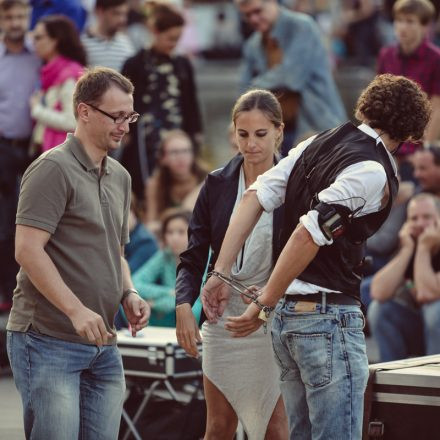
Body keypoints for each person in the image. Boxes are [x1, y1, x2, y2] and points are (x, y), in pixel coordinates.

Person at [201, 74, 431, 440]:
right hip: (324, 320)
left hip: (290, 325)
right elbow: (307, 233)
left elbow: (254, 197)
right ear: (411, 128)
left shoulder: (318, 140)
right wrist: (264, 301)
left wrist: (220, 270)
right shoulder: (372, 169)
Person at [6, 67, 150, 440]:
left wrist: (129, 293)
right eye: (115, 116)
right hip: (46, 341)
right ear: (84, 112)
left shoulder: (120, 175)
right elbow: (27, 249)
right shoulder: (52, 168)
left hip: (103, 344)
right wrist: (74, 310)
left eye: (129, 116)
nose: (124, 126)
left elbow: (114, 252)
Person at [176, 89, 288, 440]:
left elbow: (307, 255)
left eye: (260, 134)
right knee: (218, 426)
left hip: (274, 314)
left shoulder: (295, 184)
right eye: (243, 134)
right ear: (233, 132)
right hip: (222, 317)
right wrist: (183, 304)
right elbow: (193, 255)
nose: (251, 144)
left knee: (275, 429)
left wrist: (271, 295)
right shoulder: (217, 183)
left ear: (279, 132)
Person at [236, 0, 346, 156]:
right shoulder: (252, 45)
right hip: (277, 133)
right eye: (247, 15)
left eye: (258, 11)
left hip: (318, 126)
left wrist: (254, 86)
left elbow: (292, 78)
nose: (253, 19)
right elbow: (241, 93)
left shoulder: (302, 26)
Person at [121, 1, 203, 197]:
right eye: (170, 39)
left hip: (177, 129)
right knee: (144, 177)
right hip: (145, 133)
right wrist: (126, 129)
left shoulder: (182, 64)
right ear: (155, 32)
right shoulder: (135, 64)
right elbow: (126, 100)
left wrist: (197, 131)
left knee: (178, 176)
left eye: (178, 39)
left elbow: (191, 101)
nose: (174, 45)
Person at [0, 0, 40, 311]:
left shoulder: (38, 52)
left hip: (34, 147)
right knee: (5, 221)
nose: (16, 22)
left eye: (20, 15)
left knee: (32, 217)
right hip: (3, 146)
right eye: (10, 16)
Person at [369, 193, 440, 361]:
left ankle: (434, 380)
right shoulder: (410, 246)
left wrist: (423, 248)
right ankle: (394, 379)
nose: (420, 223)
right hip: (424, 334)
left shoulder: (422, 246)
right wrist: (407, 250)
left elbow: (427, 294)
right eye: (414, 218)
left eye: (427, 217)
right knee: (379, 310)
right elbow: (378, 292)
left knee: (435, 309)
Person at [377, 0, 440, 178]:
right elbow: (378, 101)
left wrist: (422, 150)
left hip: (417, 144)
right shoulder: (386, 55)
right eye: (399, 20)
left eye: (410, 21)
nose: (402, 27)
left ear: (425, 26)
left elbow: (436, 109)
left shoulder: (435, 59)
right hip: (386, 139)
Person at [133, 209, 202, 327]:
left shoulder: (204, 256)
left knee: (193, 309)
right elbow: (135, 283)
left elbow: (198, 300)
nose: (174, 238)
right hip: (171, 312)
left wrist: (155, 303)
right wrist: (168, 292)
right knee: (132, 304)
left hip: (194, 314)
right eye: (170, 232)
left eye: (181, 232)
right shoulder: (165, 255)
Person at [30, 14, 86, 153]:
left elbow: (73, 121)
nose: (33, 43)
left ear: (55, 40)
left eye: (38, 37)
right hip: (47, 149)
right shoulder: (49, 71)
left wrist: (37, 110)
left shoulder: (70, 75)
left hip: (61, 155)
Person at [145, 129, 207, 232]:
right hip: (170, 237)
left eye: (186, 151)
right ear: (163, 158)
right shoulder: (155, 184)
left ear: (193, 155)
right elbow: (151, 223)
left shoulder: (206, 178)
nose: (181, 157)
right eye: (174, 152)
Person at [81, 0, 135, 73]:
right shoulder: (82, 43)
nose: (122, 19)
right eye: (116, 13)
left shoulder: (126, 45)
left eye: (124, 14)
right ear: (100, 11)